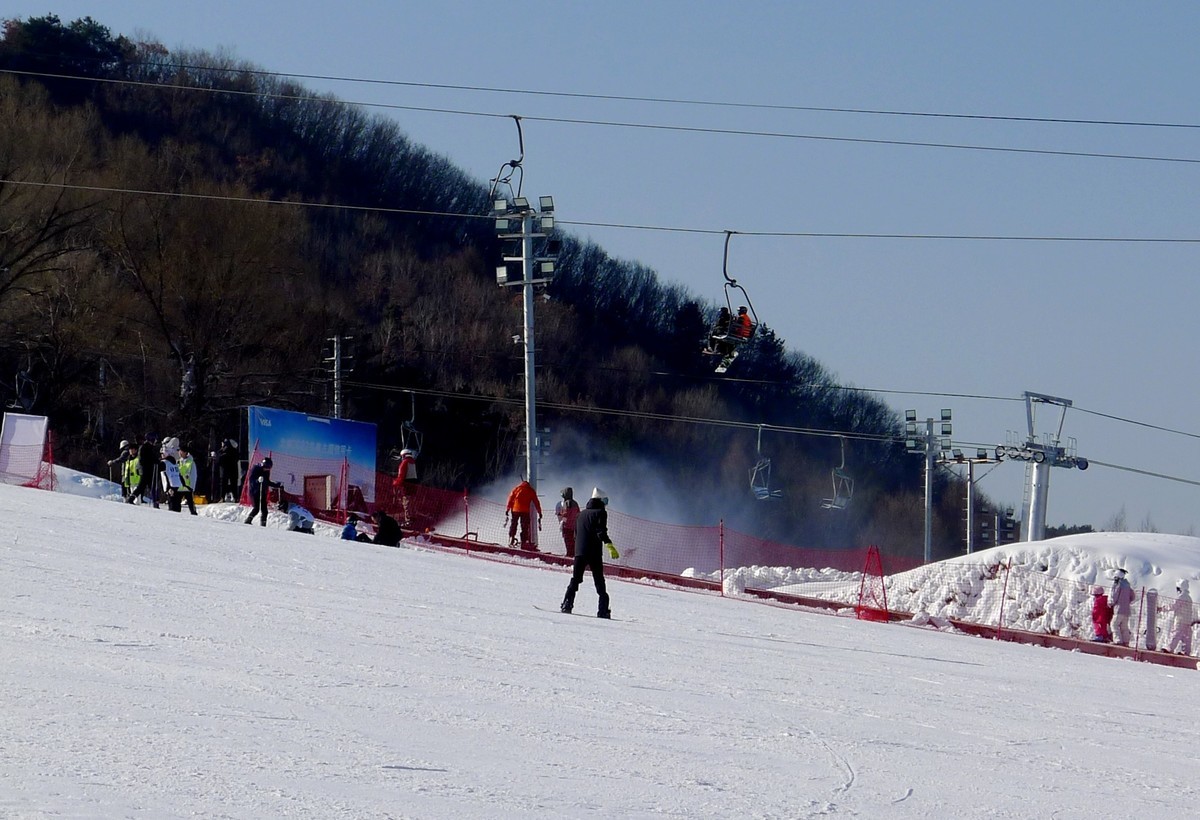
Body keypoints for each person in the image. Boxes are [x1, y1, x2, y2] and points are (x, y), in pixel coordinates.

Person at [560, 487, 620, 618]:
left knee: (575, 579)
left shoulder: (581, 514)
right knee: (599, 581)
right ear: (600, 500)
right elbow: (601, 532)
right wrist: (609, 544)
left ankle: (566, 604)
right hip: (594, 553)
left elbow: (576, 533)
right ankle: (603, 610)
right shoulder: (601, 513)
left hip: (580, 551)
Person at [244, 456, 283, 526]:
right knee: (256, 508)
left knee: (265, 510)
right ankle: (248, 520)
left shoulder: (266, 472)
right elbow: (251, 480)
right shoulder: (255, 468)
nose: (267, 470)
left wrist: (276, 485)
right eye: (266, 468)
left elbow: (267, 481)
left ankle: (263, 524)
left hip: (262, 492)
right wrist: (257, 481)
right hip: (254, 491)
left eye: (268, 468)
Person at [505, 478, 543, 550]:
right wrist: (540, 512)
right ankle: (523, 542)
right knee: (524, 527)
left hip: (515, 510)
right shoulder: (531, 490)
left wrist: (507, 509)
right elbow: (536, 502)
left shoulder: (516, 489)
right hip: (525, 511)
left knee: (514, 524)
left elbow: (510, 499)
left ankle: (511, 538)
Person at [1166, 579, 1197, 655]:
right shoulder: (1189, 597)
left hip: (1180, 619)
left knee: (1176, 634)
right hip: (1187, 620)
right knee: (1186, 637)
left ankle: (1170, 648)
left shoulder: (1181, 597)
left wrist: (1162, 608)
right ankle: (1186, 651)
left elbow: (1173, 606)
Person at [1109, 567, 1135, 646]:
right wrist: (1127, 602)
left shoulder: (1117, 584)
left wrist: (1111, 603)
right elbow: (1133, 596)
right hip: (1126, 610)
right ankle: (1126, 641)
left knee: (1114, 624)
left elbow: (1114, 595)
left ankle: (1118, 640)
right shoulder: (1127, 584)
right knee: (1124, 626)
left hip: (1119, 608)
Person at [132, 434, 160, 507]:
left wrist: (156, 461)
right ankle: (131, 498)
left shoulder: (150, 447)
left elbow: (154, 457)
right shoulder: (144, 447)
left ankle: (155, 502)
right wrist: (153, 461)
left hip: (149, 470)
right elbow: (143, 460)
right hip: (145, 470)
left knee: (151, 486)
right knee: (141, 486)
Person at [393, 448, 419, 525]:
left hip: (406, 487)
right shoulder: (413, 463)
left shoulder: (404, 463)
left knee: (406, 503)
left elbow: (401, 476)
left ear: (403, 455)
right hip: (413, 486)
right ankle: (413, 519)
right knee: (412, 503)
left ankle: (408, 521)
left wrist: (395, 483)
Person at [555, 486, 581, 558]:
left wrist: (560, 514)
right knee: (573, 541)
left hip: (567, 525)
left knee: (567, 540)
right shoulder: (575, 503)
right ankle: (574, 554)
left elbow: (566, 513)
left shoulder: (566, 503)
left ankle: (569, 554)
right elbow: (578, 513)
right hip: (574, 525)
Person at [159, 448, 186, 513]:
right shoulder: (174, 463)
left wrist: (168, 488)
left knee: (172, 506)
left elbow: (167, 475)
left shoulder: (164, 463)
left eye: (162, 453)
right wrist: (183, 484)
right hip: (179, 485)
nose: (161, 455)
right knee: (177, 505)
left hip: (171, 487)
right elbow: (178, 474)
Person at [175, 443, 198, 515]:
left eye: (181, 451)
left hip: (188, 487)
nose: (179, 453)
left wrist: (192, 487)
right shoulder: (178, 461)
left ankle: (194, 515)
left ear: (185, 452)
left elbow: (194, 476)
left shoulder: (191, 462)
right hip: (179, 487)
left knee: (191, 504)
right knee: (177, 505)